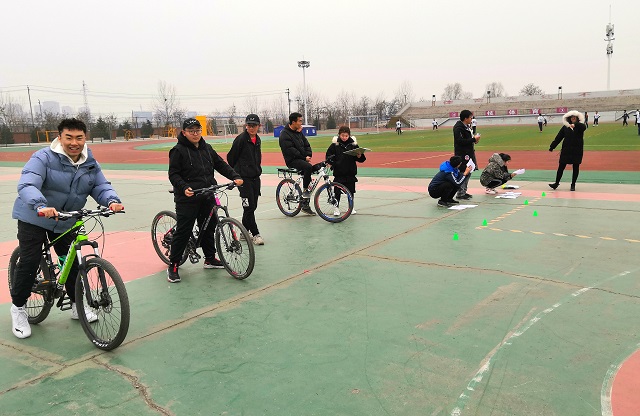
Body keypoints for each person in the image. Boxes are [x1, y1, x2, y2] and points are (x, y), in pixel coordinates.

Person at [10, 118, 124, 339]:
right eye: (69, 137)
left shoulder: (89, 162)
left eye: (79, 138)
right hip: (34, 216)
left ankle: (76, 304)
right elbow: (28, 183)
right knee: (30, 261)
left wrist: (111, 201)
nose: (74, 143)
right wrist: (40, 205)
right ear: (59, 137)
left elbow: (100, 185)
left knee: (71, 260)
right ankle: (18, 308)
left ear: (85, 137)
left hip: (65, 218)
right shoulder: (43, 157)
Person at [167, 118, 243, 283]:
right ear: (184, 132)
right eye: (191, 131)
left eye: (198, 130)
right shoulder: (178, 151)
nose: (195, 134)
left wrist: (235, 176)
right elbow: (173, 174)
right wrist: (183, 187)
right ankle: (173, 265)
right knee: (184, 230)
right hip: (188, 197)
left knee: (209, 226)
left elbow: (220, 164)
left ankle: (209, 258)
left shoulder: (207, 148)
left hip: (208, 193)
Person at [227, 114, 264, 245]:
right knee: (248, 207)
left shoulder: (257, 139)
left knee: (252, 206)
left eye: (254, 125)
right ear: (246, 126)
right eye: (249, 125)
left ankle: (243, 231)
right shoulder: (241, 139)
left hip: (255, 178)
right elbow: (231, 157)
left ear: (259, 126)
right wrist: (237, 174)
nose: (251, 128)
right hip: (244, 180)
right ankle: (255, 234)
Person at [279, 112, 317, 215]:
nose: (301, 123)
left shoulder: (298, 132)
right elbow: (290, 150)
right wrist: (304, 157)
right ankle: (305, 194)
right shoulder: (284, 135)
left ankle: (306, 203)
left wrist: (308, 155)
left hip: (302, 158)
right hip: (292, 160)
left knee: (313, 168)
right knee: (308, 167)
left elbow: (306, 144)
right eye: (300, 121)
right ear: (293, 122)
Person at [325, 126, 366, 215]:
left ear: (349, 135)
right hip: (339, 173)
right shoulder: (334, 145)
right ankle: (336, 208)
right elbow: (328, 156)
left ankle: (351, 207)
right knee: (337, 192)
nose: (344, 137)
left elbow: (361, 159)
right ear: (339, 135)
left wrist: (359, 156)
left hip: (350, 172)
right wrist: (331, 162)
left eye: (346, 136)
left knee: (351, 192)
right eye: (342, 135)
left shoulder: (353, 144)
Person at [548, 110, 586, 192]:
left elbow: (584, 127)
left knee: (576, 167)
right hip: (566, 150)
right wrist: (552, 146)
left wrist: (575, 125)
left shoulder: (580, 126)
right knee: (561, 166)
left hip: (577, 150)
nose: (573, 118)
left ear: (577, 118)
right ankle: (556, 183)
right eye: (571, 117)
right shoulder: (565, 127)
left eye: (574, 117)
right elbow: (558, 137)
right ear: (569, 118)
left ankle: (573, 184)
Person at [453, 109, 480, 200]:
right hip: (463, 154)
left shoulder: (466, 126)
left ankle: (463, 191)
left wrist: (474, 140)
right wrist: (473, 139)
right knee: (464, 171)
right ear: (465, 118)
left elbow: (468, 139)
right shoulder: (458, 128)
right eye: (470, 117)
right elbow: (460, 141)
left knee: (469, 171)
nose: (471, 119)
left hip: (469, 152)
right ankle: (460, 193)